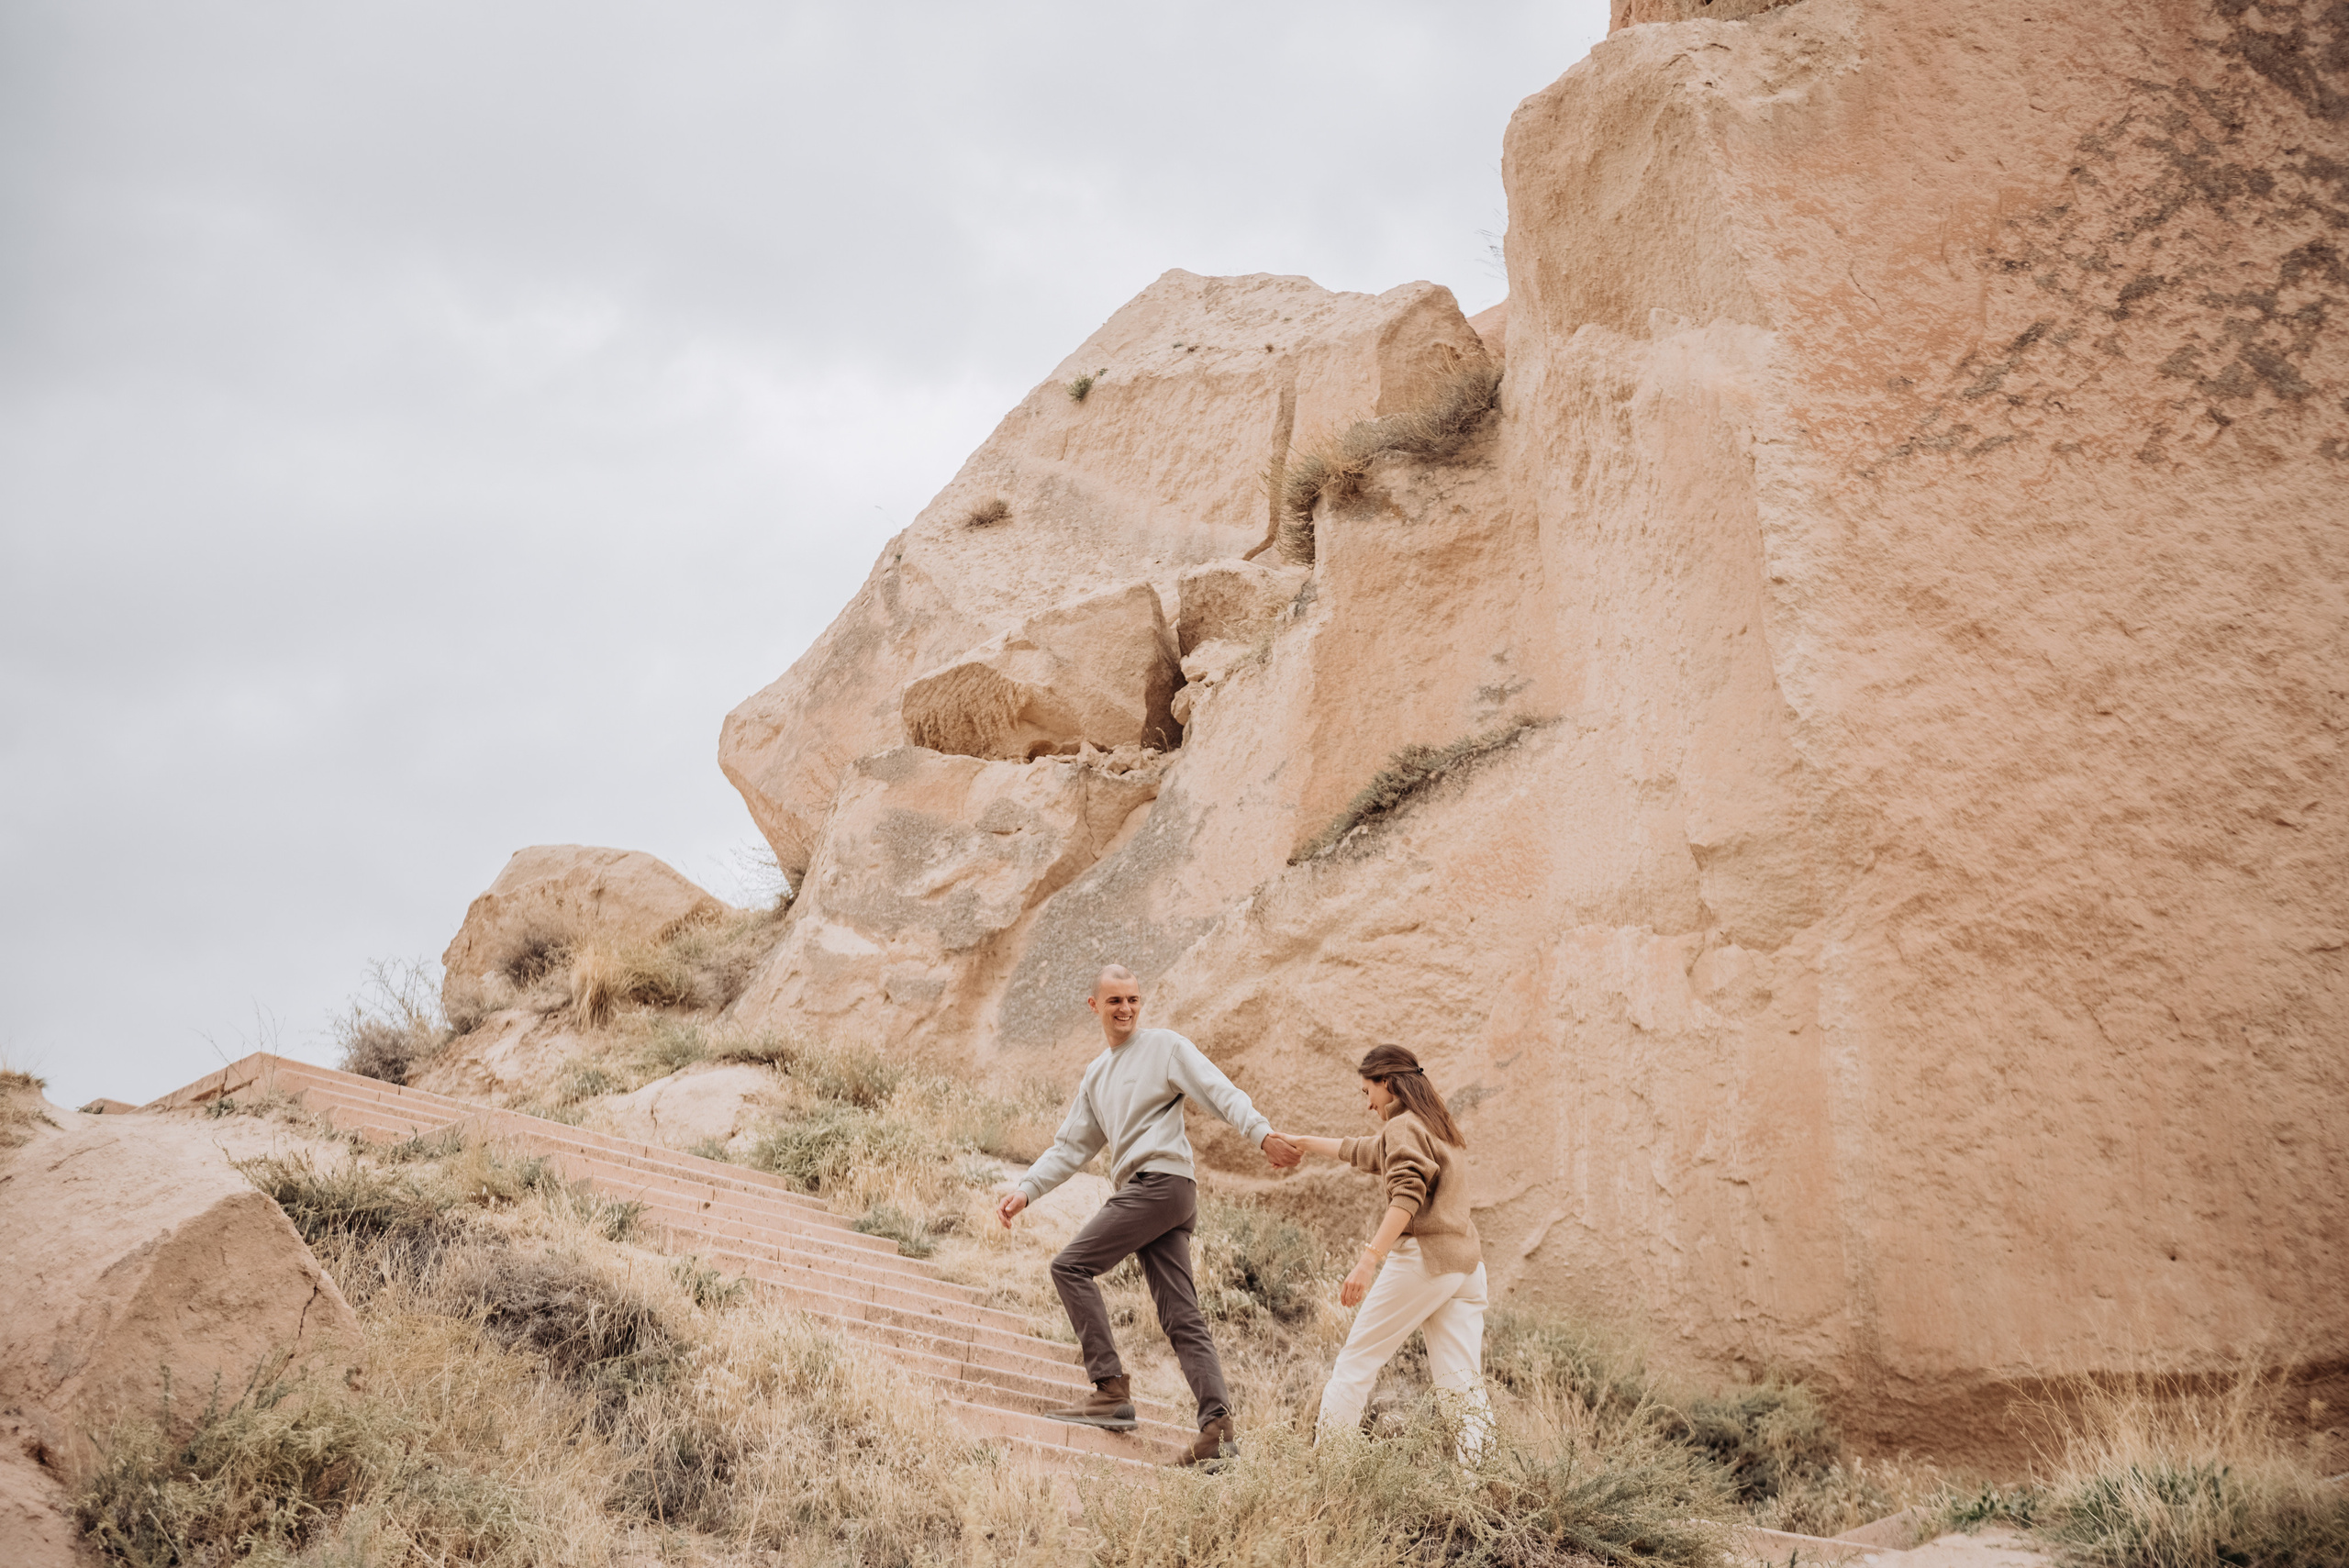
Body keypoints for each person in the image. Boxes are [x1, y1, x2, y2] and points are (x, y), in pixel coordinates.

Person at [996, 963, 1299, 1465]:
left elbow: (1219, 1091)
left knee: (1069, 1266)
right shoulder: (1097, 1075)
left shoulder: (1165, 1047)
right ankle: (1217, 1428)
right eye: (1115, 1001)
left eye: (1133, 1000)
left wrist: (1260, 1132)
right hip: (1157, 1195)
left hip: (1161, 1184)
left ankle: (1111, 1392)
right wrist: (1027, 1190)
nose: (1126, 1010)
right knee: (1181, 1315)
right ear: (1094, 1006)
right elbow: (1071, 1147)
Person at [1280, 1043, 1492, 1462]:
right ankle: (1484, 1485)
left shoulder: (1404, 1128)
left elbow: (1407, 1195)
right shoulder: (1436, 1124)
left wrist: (1367, 1260)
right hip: (1465, 1267)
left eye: (1367, 1092)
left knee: (1356, 1362)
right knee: (1462, 1387)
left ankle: (1329, 1475)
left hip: (1426, 1260)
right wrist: (1302, 1141)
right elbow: (1364, 1150)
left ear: (1388, 1083)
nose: (1367, 1103)